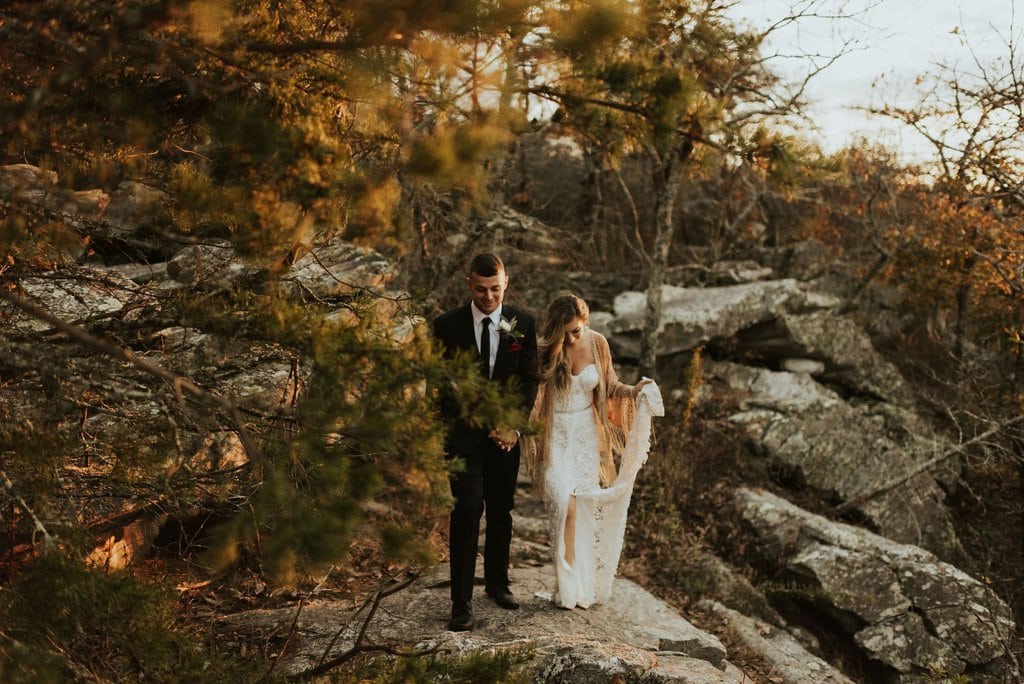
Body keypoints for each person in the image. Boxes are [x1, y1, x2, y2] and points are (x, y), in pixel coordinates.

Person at [526, 293, 662, 609]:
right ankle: (567, 584)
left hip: (586, 437)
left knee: (582, 510)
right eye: (567, 332)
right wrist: (535, 439)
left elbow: (610, 386)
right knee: (564, 505)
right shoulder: (544, 351)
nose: (574, 337)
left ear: (585, 322)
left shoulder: (598, 343)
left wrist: (634, 391)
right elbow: (534, 397)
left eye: (578, 330)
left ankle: (573, 590)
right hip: (556, 434)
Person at [432, 253, 539, 632]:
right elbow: (442, 383)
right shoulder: (445, 326)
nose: (489, 296)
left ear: (505, 283)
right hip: (462, 436)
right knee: (467, 509)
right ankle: (460, 603)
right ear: (468, 285)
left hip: (505, 437)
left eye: (495, 289)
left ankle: (497, 583)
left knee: (501, 508)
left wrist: (513, 425)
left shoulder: (522, 324)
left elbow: (529, 380)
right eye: (481, 289)